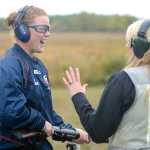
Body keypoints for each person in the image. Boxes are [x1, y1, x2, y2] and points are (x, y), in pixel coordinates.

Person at [0, 5, 90, 150]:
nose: (48, 34)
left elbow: (46, 113)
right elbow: (12, 111)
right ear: (23, 30)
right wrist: (41, 123)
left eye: (49, 29)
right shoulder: (9, 66)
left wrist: (71, 133)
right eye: (43, 28)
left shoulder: (38, 66)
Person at [63, 19, 150, 150]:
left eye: (130, 42)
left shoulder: (125, 80)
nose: (127, 46)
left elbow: (98, 132)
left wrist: (78, 96)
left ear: (140, 46)